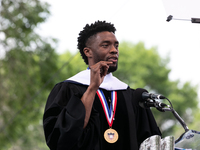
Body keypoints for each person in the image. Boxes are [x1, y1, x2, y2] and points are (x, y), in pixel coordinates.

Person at [43, 20, 161, 150]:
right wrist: (93, 87)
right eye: (105, 45)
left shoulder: (130, 94)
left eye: (116, 46)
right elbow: (61, 138)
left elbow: (149, 140)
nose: (114, 50)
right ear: (88, 52)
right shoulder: (68, 89)